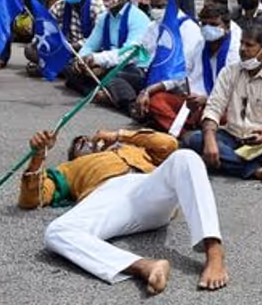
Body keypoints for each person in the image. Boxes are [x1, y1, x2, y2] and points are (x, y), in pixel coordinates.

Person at [18, 125, 228, 294]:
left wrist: (119, 135)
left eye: (88, 139)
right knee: (56, 232)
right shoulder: (70, 168)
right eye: (80, 144)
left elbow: (169, 143)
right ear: (74, 155)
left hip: (146, 188)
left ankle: (214, 254)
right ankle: (143, 266)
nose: (87, 142)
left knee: (186, 157)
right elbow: (32, 199)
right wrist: (38, 156)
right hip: (108, 197)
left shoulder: (132, 149)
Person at [184, 23, 262, 187]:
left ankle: (227, 161)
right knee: (196, 139)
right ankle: (258, 171)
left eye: (249, 45)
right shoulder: (230, 72)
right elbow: (213, 108)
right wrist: (210, 139)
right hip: (231, 135)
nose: (242, 49)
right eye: (241, 43)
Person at [140, 1, 239, 132]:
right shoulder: (200, 45)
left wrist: (207, 100)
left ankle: (188, 130)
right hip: (192, 103)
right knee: (156, 100)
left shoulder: (236, 52)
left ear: (226, 28)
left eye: (214, 24)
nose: (207, 28)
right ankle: (184, 133)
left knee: (226, 117)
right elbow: (180, 75)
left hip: (219, 105)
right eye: (204, 24)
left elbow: (236, 93)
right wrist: (147, 90)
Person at [71, 0, 150, 97]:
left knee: (113, 76)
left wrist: (97, 61)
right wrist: (81, 60)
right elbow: (91, 45)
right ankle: (104, 94)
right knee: (71, 69)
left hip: (133, 67)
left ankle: (114, 96)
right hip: (108, 62)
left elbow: (128, 54)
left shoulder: (138, 18)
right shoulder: (104, 17)